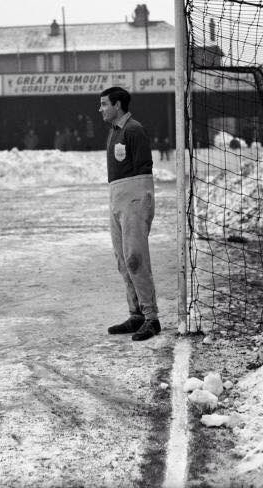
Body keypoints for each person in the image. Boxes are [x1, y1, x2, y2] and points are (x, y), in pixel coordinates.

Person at [98, 86, 160, 342]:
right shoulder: (114, 132)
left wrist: (137, 200)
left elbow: (144, 169)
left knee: (136, 258)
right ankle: (136, 314)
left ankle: (151, 318)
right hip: (117, 198)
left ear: (118, 105)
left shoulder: (134, 130)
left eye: (104, 104)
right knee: (123, 261)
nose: (100, 109)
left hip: (134, 197)